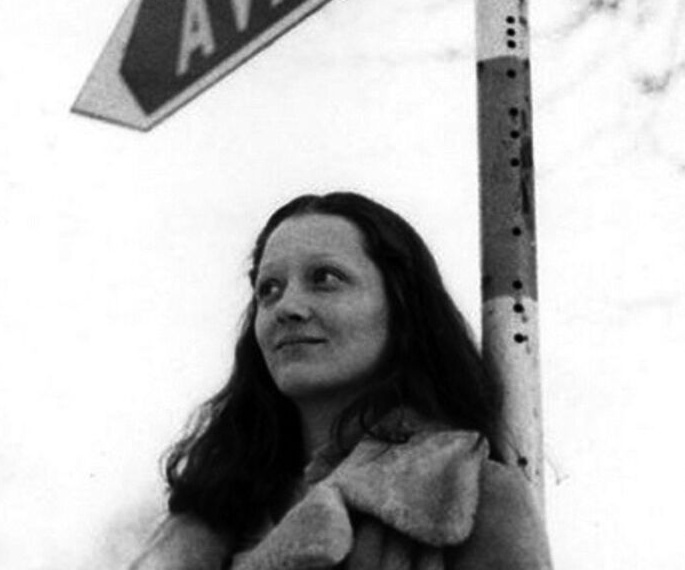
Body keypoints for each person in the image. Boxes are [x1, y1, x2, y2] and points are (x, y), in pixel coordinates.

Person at [131, 192, 551, 570]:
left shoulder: (470, 495)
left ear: (401, 306)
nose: (288, 307)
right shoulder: (195, 521)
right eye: (269, 289)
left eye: (325, 279)